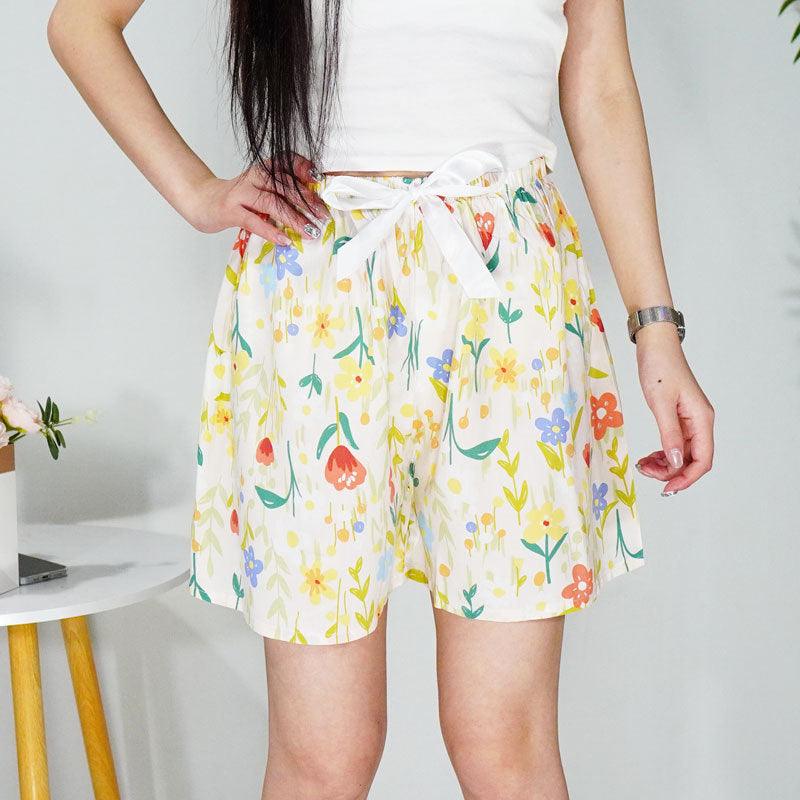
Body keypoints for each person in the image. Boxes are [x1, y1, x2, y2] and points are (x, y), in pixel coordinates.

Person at [48, 1, 715, 797]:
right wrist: (196, 191)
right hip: (319, 297)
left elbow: (599, 80)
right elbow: (80, 23)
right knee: (325, 757)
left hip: (510, 306)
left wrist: (656, 328)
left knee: (504, 748)